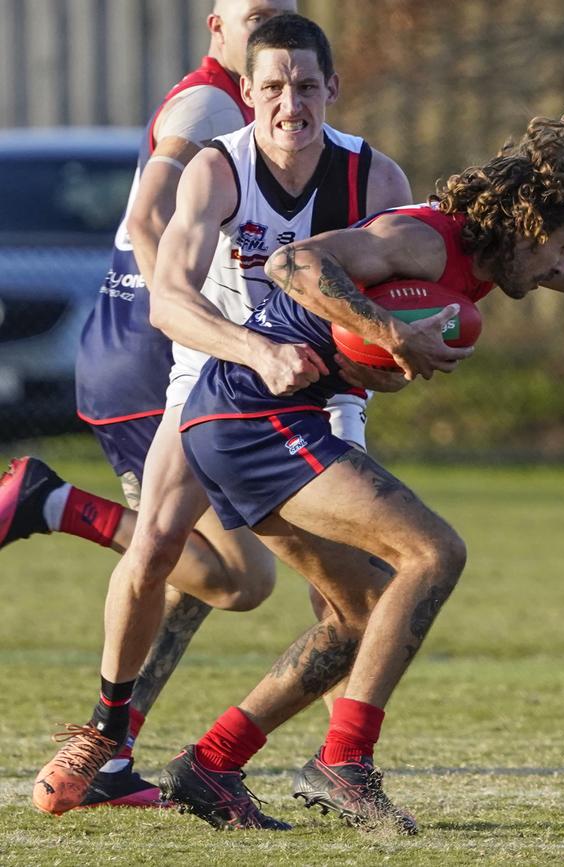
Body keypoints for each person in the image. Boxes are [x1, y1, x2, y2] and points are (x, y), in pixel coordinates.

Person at [37, 102, 564, 835]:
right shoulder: (423, 239)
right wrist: (393, 333)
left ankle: (212, 763)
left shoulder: (506, 257)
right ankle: (344, 762)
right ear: (525, 225)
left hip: (245, 420)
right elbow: (293, 262)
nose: (562, 261)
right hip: (250, 411)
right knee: (432, 551)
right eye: (561, 244)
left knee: (360, 612)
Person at [29, 14, 422, 826]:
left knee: (349, 588)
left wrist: (396, 346)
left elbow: (402, 295)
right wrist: (254, 350)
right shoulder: (217, 169)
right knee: (159, 544)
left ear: (333, 89)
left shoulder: (376, 179)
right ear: (246, 94)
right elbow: (170, 301)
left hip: (326, 396)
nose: (290, 104)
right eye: (272, 87)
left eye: (306, 86)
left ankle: (342, 761)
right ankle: (104, 731)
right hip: (213, 374)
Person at [0, 0, 306, 810]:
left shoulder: (254, 107)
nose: (270, 26)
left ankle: (109, 755)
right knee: (236, 577)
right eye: (256, 15)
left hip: (149, 356)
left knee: (195, 573)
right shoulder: (209, 102)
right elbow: (143, 219)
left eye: (286, 14)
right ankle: (49, 501)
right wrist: (186, 311)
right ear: (217, 25)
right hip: (149, 357)